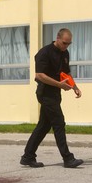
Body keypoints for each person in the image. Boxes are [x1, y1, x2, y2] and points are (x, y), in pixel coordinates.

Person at [20, 28, 84, 168]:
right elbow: (39, 75)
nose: (66, 46)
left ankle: (28, 156)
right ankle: (68, 158)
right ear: (58, 38)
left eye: (69, 44)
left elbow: (66, 72)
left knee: (43, 126)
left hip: (55, 93)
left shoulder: (64, 53)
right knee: (59, 123)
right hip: (45, 93)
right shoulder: (44, 52)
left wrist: (74, 87)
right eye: (64, 43)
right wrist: (59, 85)